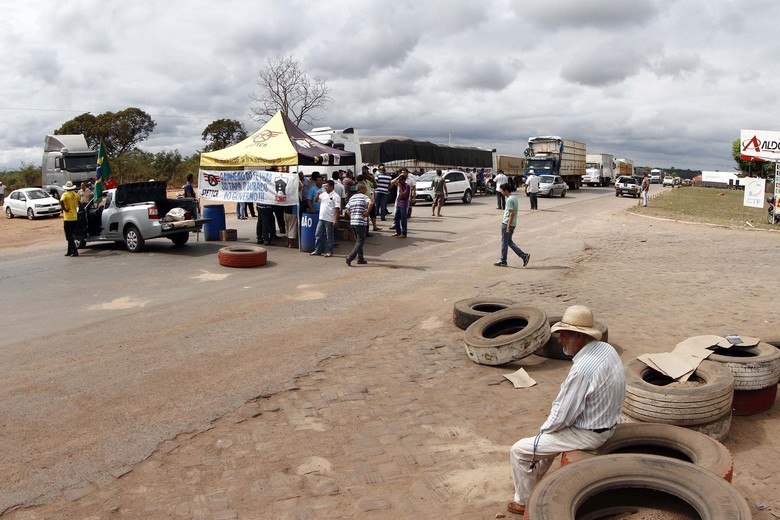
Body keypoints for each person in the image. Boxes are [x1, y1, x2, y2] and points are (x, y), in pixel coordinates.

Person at [507, 305, 625, 516]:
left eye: (563, 334)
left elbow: (562, 414)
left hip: (589, 433)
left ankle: (523, 502)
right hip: (605, 421)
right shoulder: (606, 349)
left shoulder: (583, 369)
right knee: (548, 440)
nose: (559, 340)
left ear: (578, 337)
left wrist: (543, 431)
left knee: (519, 450)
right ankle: (535, 479)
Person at [494, 183, 530, 267]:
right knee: (509, 242)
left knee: (504, 242)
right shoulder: (514, 198)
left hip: (507, 223)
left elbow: (512, 213)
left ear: (506, 190)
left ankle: (503, 260)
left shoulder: (509, 200)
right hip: (512, 223)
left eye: (502, 191)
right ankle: (524, 256)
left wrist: (508, 225)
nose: (502, 192)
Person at [345, 182, 373, 266]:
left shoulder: (352, 198)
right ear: (362, 189)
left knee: (358, 240)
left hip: (353, 221)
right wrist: (367, 212)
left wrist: (352, 216)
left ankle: (360, 258)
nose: (366, 190)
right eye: (365, 188)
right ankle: (350, 257)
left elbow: (347, 210)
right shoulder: (364, 197)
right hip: (360, 221)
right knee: (361, 240)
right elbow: (371, 203)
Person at [311, 180, 340, 257]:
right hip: (321, 218)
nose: (325, 187)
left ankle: (329, 251)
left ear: (331, 186)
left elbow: (337, 208)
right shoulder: (323, 194)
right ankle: (317, 250)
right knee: (318, 234)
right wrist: (317, 194)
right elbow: (315, 200)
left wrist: (335, 219)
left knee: (329, 236)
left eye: (327, 186)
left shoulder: (335, 196)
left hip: (329, 219)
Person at [59, 181, 80, 257]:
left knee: (69, 236)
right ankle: (69, 251)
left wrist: (64, 209)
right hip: (74, 217)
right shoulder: (75, 194)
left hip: (68, 218)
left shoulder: (65, 194)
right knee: (71, 235)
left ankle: (75, 251)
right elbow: (79, 201)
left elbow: (61, 201)